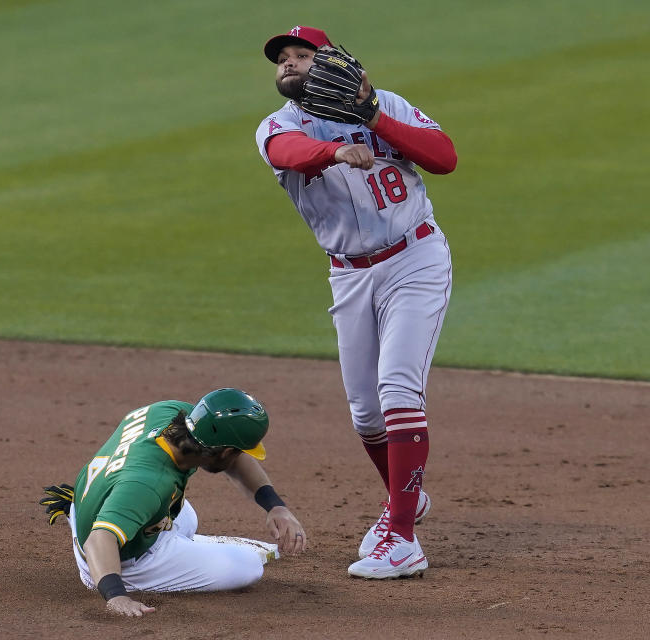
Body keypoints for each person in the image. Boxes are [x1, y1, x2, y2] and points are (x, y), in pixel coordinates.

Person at [255, 26, 456, 579]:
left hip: (414, 259)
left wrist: (373, 118)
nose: (288, 64)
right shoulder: (278, 126)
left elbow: (444, 158)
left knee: (397, 388)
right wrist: (337, 149)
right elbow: (288, 153)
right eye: (282, 60)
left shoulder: (386, 105)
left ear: (334, 64)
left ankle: (404, 538)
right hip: (348, 275)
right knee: (366, 412)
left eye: (302, 56)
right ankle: (405, 499)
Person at [39, 388, 307, 617]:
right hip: (114, 559)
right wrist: (115, 596)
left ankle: (165, 538)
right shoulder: (149, 483)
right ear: (224, 451)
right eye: (236, 451)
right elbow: (99, 540)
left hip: (98, 501)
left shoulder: (172, 413)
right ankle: (121, 572)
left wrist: (275, 505)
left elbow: (234, 459)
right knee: (248, 567)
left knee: (186, 516)